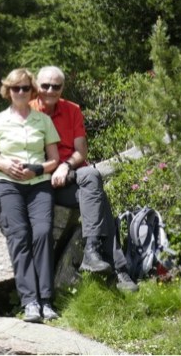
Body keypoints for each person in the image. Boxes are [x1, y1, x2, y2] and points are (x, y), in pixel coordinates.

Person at [32, 66, 139, 293]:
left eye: (56, 86)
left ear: (62, 88)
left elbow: (80, 151)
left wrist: (65, 166)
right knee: (99, 198)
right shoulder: (27, 112)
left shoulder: (72, 110)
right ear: (36, 86)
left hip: (70, 175)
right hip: (42, 181)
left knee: (91, 176)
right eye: (45, 85)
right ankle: (118, 270)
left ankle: (92, 251)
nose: (50, 90)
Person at [0, 68, 63, 323]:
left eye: (26, 88)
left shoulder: (43, 121)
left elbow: (54, 159)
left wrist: (36, 169)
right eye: (15, 88)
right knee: (19, 236)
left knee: (42, 233)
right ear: (8, 91)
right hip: (8, 186)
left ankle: (46, 300)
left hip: (38, 185)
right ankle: (30, 302)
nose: (20, 92)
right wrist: (4, 164)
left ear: (32, 91)